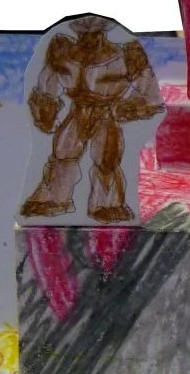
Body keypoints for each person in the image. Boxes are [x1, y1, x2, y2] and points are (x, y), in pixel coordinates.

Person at [21, 16, 163, 222]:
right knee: (63, 152)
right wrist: (46, 112)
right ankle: (53, 198)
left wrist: (126, 108)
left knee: (106, 159)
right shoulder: (64, 54)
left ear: (102, 34)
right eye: (83, 34)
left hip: (106, 115)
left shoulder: (124, 56)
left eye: (94, 35)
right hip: (77, 112)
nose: (88, 40)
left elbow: (150, 93)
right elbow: (48, 85)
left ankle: (107, 204)